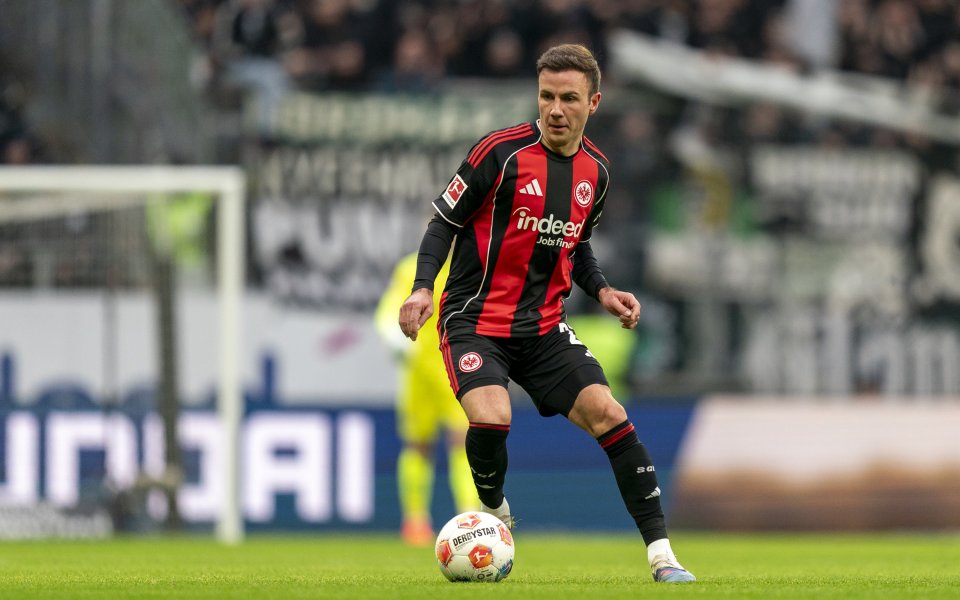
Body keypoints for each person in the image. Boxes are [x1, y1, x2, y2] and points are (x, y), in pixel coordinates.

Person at [398, 44, 696, 583]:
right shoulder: (500, 153)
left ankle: (663, 557)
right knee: (492, 416)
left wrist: (602, 291)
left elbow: (576, 246)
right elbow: (443, 221)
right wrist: (422, 289)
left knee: (610, 414)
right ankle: (494, 507)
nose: (556, 109)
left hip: (541, 328)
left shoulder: (596, 173)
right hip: (474, 320)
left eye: (569, 99)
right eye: (547, 96)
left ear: (593, 103)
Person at [375, 252, 477, 546]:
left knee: (463, 440)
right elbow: (388, 310)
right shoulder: (410, 268)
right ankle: (415, 520)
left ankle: (469, 517)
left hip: (457, 364)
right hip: (420, 370)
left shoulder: (471, 262)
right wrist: (393, 338)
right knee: (418, 444)